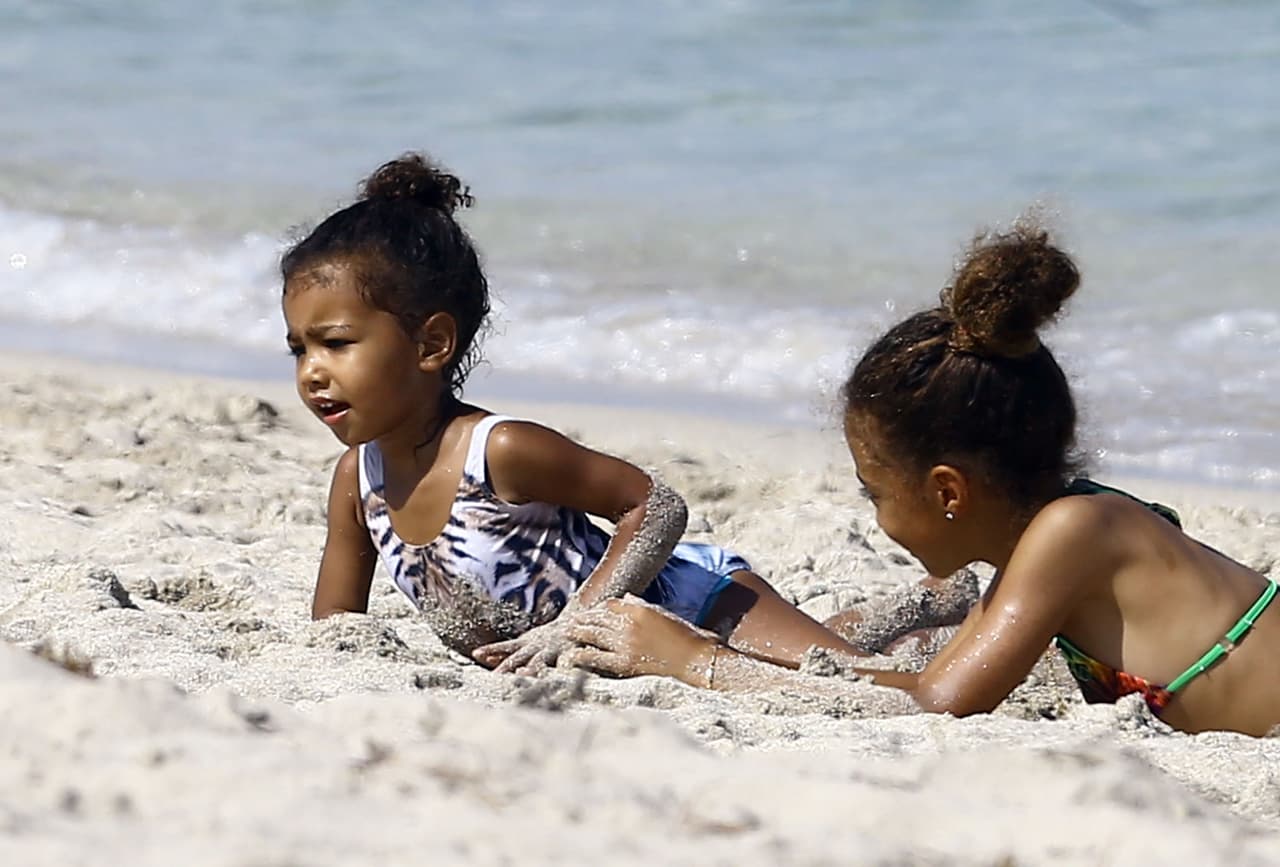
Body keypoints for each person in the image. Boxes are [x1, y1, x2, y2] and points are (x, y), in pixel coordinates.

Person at [561, 221, 1280, 736]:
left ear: (946, 491)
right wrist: (728, 652)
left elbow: (939, 702)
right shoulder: (1043, 554)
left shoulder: (1075, 529)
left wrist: (698, 662)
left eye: (874, 490)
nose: (872, 509)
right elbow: (904, 686)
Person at [282, 152, 858, 676]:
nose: (311, 371)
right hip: (628, 662)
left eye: (336, 343)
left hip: (699, 603)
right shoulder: (356, 484)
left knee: (855, 676)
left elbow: (655, 507)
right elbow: (336, 636)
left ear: (432, 344)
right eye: (299, 349)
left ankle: (924, 613)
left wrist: (573, 625)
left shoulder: (500, 451)